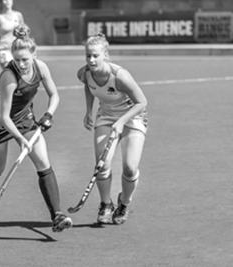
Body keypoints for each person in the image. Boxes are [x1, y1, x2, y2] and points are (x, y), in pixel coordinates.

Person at [0, 24, 73, 233]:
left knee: (43, 161)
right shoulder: (9, 76)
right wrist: (22, 140)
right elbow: (5, 117)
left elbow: (55, 95)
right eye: (16, 59)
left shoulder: (41, 67)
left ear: (34, 54)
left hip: (24, 119)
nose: (21, 64)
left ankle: (57, 216)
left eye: (25, 59)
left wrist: (48, 115)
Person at [76, 34, 148, 225]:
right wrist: (88, 111)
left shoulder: (120, 76)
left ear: (105, 55)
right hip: (106, 116)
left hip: (133, 117)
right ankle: (105, 204)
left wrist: (122, 121)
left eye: (95, 56)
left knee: (130, 168)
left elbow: (142, 102)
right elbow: (88, 86)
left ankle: (124, 203)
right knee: (102, 164)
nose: (91, 60)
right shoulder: (84, 73)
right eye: (88, 56)